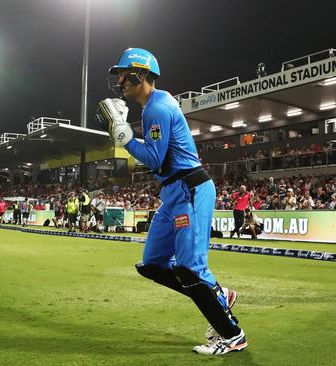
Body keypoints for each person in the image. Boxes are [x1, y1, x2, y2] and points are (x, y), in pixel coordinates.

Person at [98, 47, 246, 354]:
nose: (120, 80)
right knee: (152, 264)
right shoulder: (154, 105)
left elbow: (154, 159)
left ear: (140, 74)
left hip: (189, 190)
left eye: (124, 74)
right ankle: (219, 296)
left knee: (191, 268)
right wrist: (128, 136)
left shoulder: (157, 109)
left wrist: (124, 138)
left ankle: (232, 336)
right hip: (175, 194)